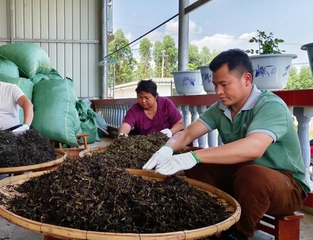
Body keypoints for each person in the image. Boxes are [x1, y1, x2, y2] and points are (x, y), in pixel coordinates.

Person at [143, 49, 310, 240]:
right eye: (215, 85)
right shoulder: (221, 108)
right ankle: (208, 219)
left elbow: (254, 147)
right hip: (244, 175)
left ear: (246, 79)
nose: (218, 92)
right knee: (198, 161)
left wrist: (193, 157)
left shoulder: (270, 105)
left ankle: (238, 234)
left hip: (287, 185)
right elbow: (188, 133)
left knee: (247, 174)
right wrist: (168, 148)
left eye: (224, 84)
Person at [117, 79, 184, 138]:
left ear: (155, 96)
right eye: (140, 97)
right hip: (145, 144)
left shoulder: (166, 104)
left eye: (147, 98)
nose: (143, 101)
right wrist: (122, 135)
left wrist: (170, 132)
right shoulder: (135, 109)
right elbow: (126, 125)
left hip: (169, 142)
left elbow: (179, 124)